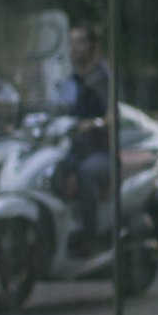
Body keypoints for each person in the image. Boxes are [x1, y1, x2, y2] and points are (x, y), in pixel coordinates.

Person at [56, 23, 111, 254]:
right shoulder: (70, 81)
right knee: (52, 171)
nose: (74, 48)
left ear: (92, 46)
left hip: (101, 152)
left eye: (80, 42)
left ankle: (91, 237)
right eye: (71, 42)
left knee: (85, 174)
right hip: (74, 149)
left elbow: (113, 114)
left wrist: (96, 123)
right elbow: (59, 108)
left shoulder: (103, 78)